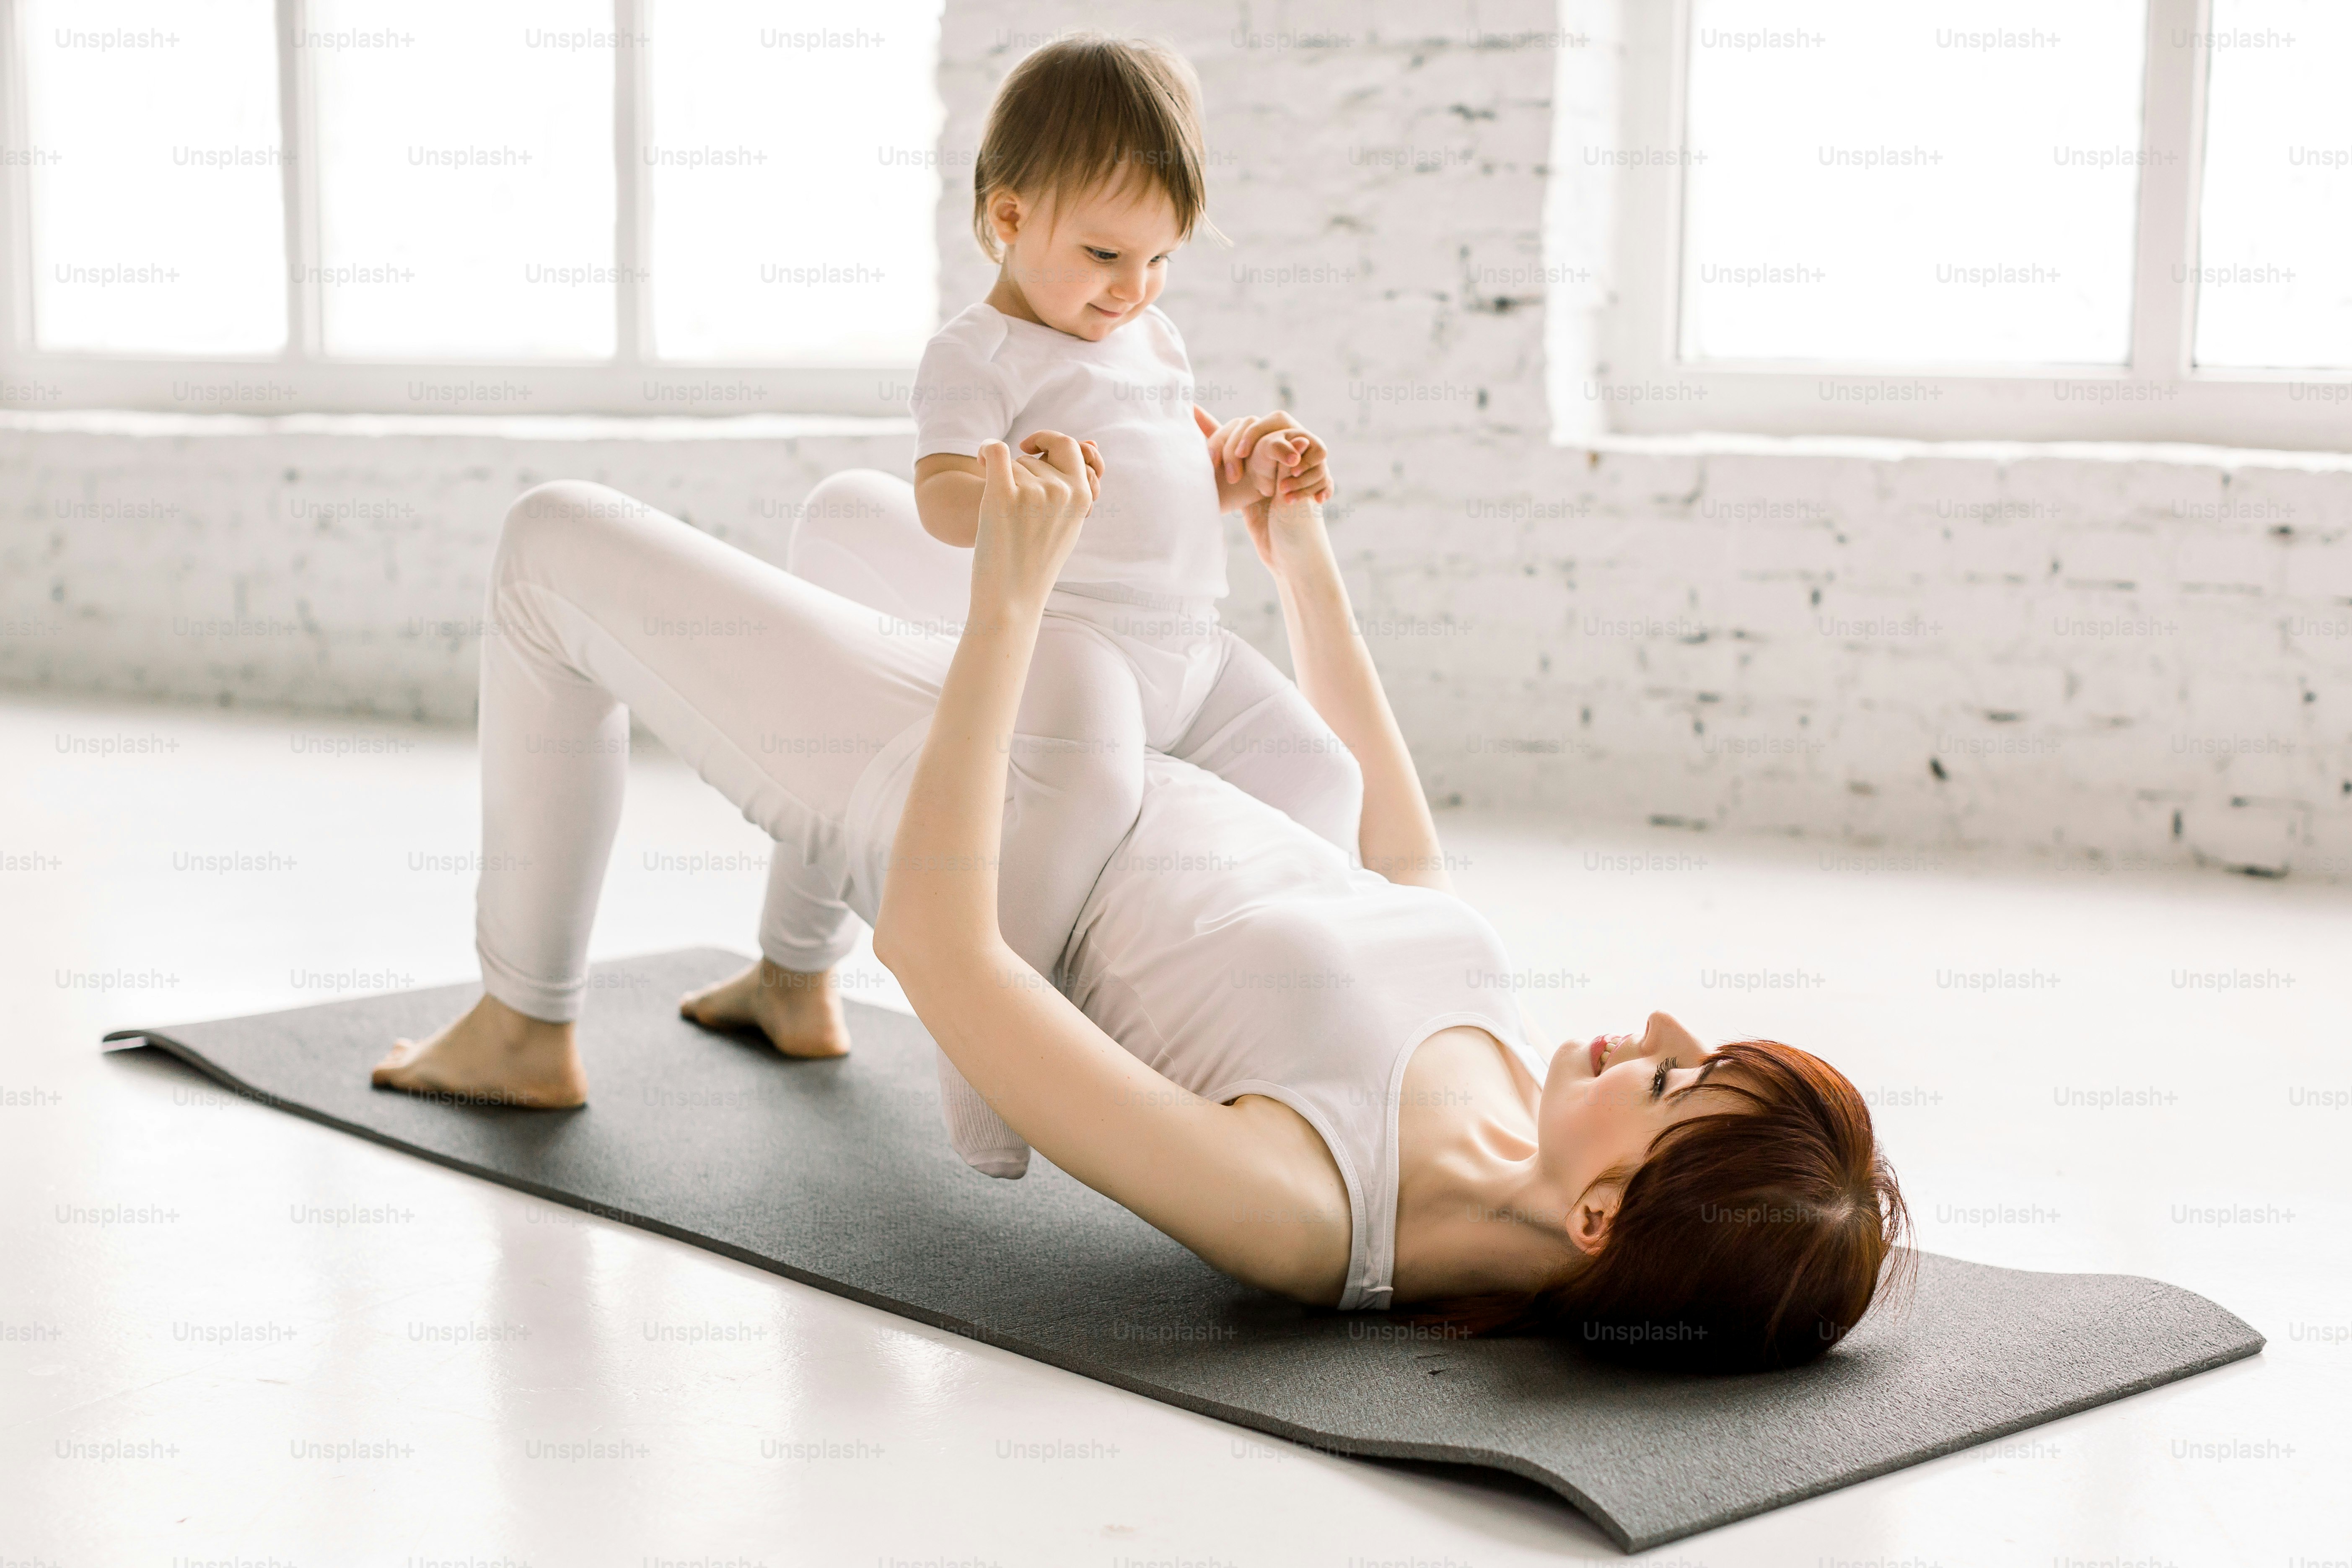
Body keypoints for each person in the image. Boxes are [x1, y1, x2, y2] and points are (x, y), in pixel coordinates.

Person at [369, 429, 1908, 1372]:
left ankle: (527, 1020)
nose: (1653, 1028)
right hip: (1085, 740)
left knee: (549, 541)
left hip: (953, 803)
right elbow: (1399, 863)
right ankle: (785, 980)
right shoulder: (1514, 1095)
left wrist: (1009, 614)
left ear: (1599, 1215)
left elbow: (959, 963)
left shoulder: (1307, 1214)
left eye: (1674, 1080)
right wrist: (1300, 561)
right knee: (852, 518)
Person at [904, 33, 1365, 1178]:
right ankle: (984, 1053)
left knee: (1323, 773)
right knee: (1083, 796)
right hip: (1076, 639)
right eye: (1105, 254)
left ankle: (1299, 1003)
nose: (1133, 288)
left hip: (1188, 644)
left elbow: (1170, 489)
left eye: (1159, 260)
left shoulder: (1149, 333)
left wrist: (1240, 476)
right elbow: (939, 502)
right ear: (1008, 221)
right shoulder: (980, 354)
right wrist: (1016, 480)